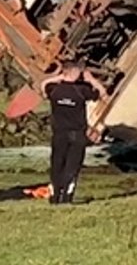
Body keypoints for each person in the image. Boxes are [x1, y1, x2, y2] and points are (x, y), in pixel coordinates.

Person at [38, 59, 108, 205]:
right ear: (75, 72)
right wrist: (91, 79)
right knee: (72, 166)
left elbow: (42, 86)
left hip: (59, 134)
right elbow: (103, 94)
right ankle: (67, 198)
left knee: (57, 164)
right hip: (77, 134)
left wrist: (59, 77)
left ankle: (55, 196)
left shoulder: (54, 90)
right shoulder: (81, 91)